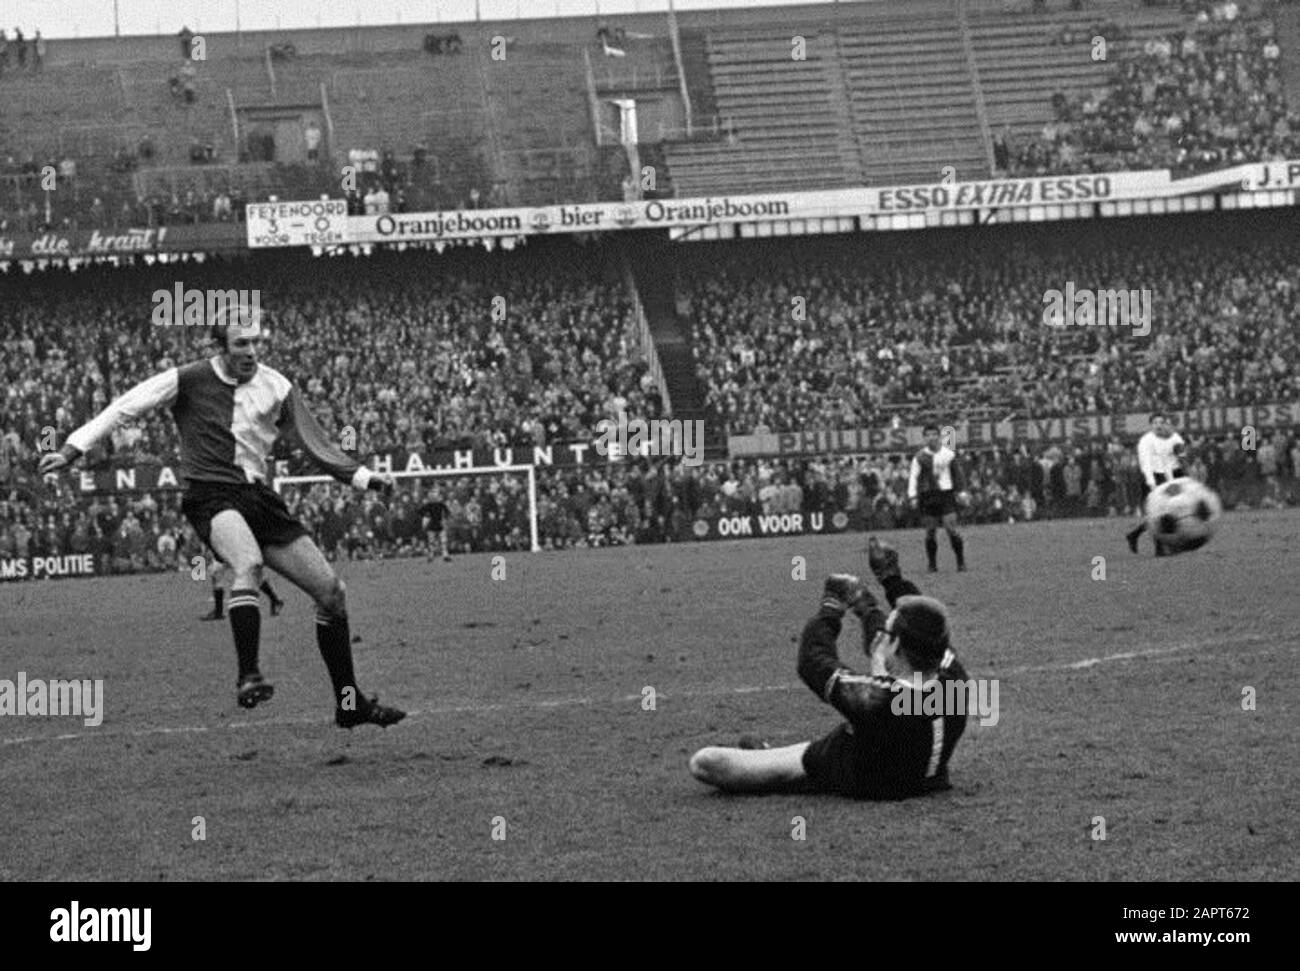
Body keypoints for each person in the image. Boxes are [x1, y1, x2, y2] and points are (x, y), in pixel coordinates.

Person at [37, 306, 405, 729]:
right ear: (221, 346)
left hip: (258, 498)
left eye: (256, 342)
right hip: (210, 494)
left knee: (332, 593)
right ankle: (248, 674)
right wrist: (71, 449)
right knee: (245, 563)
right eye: (241, 344)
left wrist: (366, 479)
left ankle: (349, 702)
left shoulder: (277, 386)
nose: (252, 351)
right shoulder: (188, 379)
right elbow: (125, 407)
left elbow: (316, 443)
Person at [689, 539, 970, 798]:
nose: (882, 634)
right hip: (920, 769)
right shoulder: (956, 680)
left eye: (887, 631)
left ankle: (770, 756)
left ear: (896, 643)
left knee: (705, 762)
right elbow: (923, 630)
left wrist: (831, 608)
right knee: (886, 669)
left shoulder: (874, 699)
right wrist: (888, 584)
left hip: (857, 771)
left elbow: (813, 661)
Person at [1125, 412, 1187, 556]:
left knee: (1165, 513)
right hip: (1150, 479)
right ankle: (1159, 549)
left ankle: (1135, 535)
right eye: (1155, 423)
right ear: (1151, 425)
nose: (1159, 425)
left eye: (1161, 422)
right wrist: (1152, 484)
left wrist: (1171, 481)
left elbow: (1167, 463)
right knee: (1159, 513)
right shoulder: (1145, 441)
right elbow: (1145, 464)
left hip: (1163, 478)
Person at [908, 424, 967, 572]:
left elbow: (958, 474)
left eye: (934, 434)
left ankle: (961, 562)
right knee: (930, 531)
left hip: (946, 495)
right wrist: (912, 496)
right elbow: (913, 478)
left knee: (950, 528)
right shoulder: (919, 457)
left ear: (939, 436)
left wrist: (962, 492)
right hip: (928, 496)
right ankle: (932, 564)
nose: (931, 437)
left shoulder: (948, 454)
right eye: (928, 435)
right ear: (924, 438)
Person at [201, 555, 285, 620]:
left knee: (255, 575)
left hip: (242, 548)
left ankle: (275, 600)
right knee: (216, 571)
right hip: (238, 548)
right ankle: (275, 600)